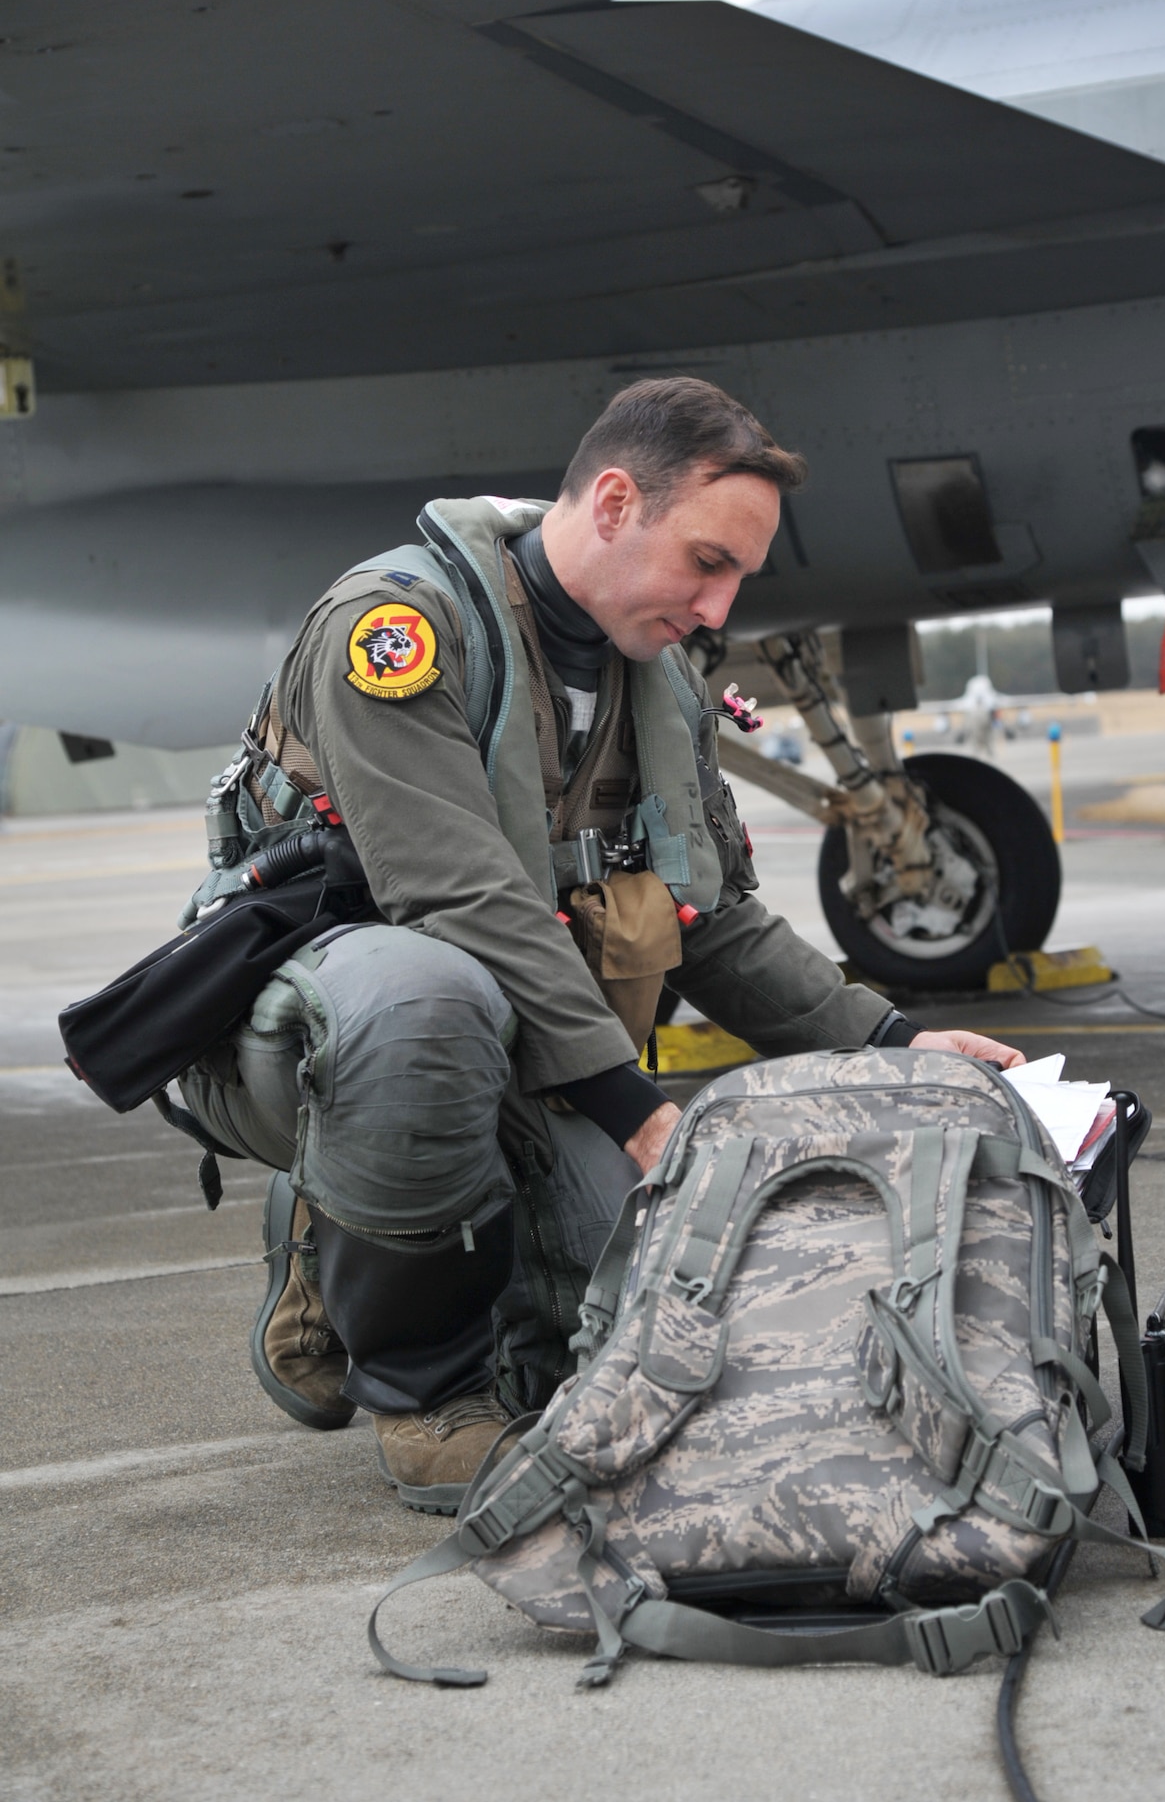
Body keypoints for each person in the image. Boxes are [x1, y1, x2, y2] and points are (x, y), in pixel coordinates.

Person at [176, 377, 1022, 1513]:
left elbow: (711, 918)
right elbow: (458, 895)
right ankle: (422, 1382)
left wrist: (896, 1040)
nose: (719, 609)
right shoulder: (395, 634)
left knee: (651, 1338)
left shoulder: (656, 672)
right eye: (706, 562)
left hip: (527, 1056)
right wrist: (640, 1111)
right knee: (420, 998)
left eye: (736, 580)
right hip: (311, 1040)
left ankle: (410, 1255)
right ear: (616, 501)